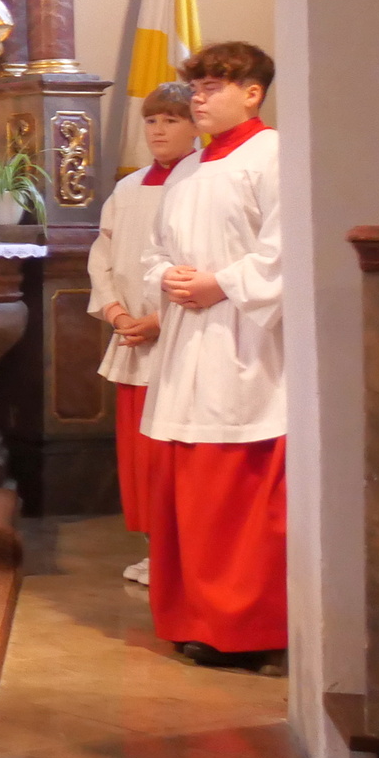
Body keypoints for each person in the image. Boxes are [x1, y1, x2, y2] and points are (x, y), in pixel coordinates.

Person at [139, 41, 285, 670]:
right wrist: (166, 279)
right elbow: (153, 250)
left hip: (244, 347)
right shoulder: (190, 170)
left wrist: (218, 284)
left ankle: (249, 627)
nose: (197, 97)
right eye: (194, 87)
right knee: (188, 501)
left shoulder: (273, 155)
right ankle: (196, 618)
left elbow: (285, 250)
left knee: (238, 498)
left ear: (251, 92)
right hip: (186, 345)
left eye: (211, 87)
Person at [88, 82, 198, 585]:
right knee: (140, 458)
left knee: (172, 454)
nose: (158, 130)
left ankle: (184, 554)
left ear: (195, 126)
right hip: (131, 338)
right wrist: (116, 312)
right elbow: (103, 257)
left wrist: (159, 320)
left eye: (171, 120)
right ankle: (156, 549)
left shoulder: (200, 184)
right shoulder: (128, 190)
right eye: (152, 120)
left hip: (180, 335)